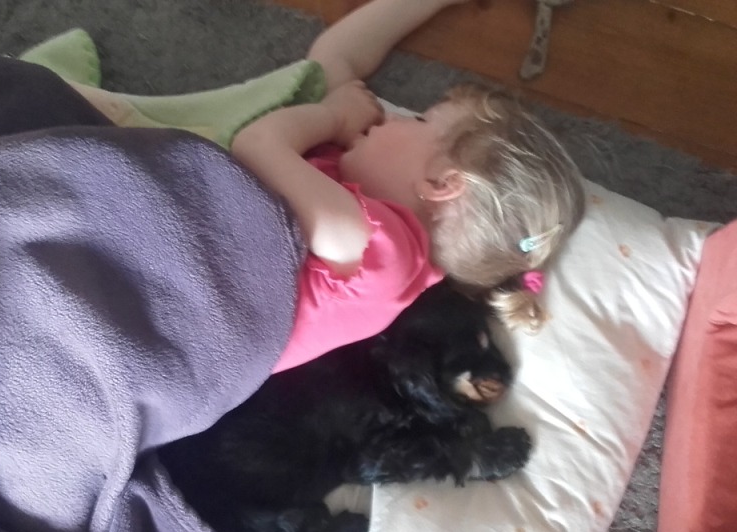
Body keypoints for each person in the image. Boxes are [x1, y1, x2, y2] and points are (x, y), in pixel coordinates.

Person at [232, 0, 586, 371]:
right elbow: (334, 59)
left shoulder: (384, 257)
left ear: (441, 183)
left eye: (420, 120)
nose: (394, 116)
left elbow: (255, 145)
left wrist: (332, 115)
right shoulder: (365, 174)